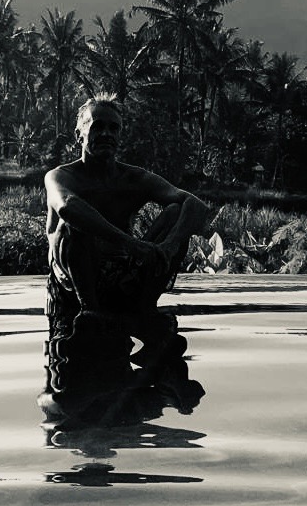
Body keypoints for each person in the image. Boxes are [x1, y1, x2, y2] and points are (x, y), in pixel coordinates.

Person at [42, 95, 213, 404]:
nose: (107, 134)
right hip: (76, 285)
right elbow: (67, 206)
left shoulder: (133, 178)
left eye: (114, 128)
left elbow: (196, 205)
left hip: (122, 279)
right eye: (97, 127)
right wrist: (132, 244)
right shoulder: (60, 176)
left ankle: (144, 307)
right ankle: (90, 312)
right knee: (75, 224)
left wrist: (168, 245)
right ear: (79, 133)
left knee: (177, 214)